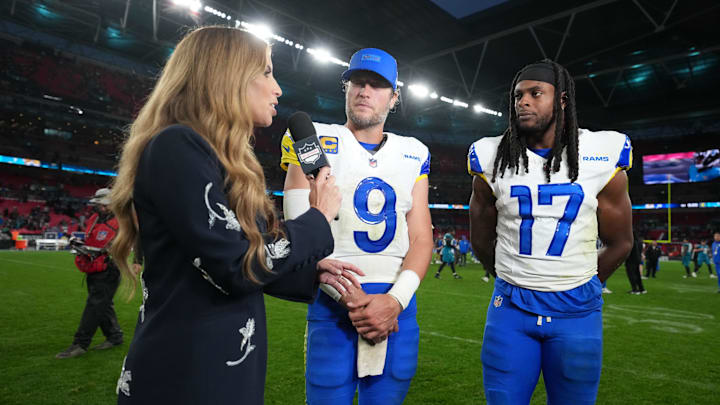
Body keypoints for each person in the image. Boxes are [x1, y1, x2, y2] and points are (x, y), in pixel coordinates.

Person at [107, 27, 352, 404]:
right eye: (267, 72)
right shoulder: (177, 146)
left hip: (218, 367)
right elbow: (234, 266)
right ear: (229, 75)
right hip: (186, 373)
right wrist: (318, 219)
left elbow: (236, 258)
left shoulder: (210, 156)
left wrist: (309, 270)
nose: (278, 89)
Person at [468, 59, 633, 404]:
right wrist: (511, 275)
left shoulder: (601, 153)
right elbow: (481, 239)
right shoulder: (490, 155)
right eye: (517, 95)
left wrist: (586, 283)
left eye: (535, 93)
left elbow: (621, 242)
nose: (523, 102)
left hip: (577, 312)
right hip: (511, 307)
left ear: (561, 100)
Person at [281, 47, 433, 404]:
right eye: (358, 82)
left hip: (397, 306)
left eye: (377, 85)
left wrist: (393, 302)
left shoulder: (414, 151)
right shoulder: (312, 137)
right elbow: (299, 228)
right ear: (346, 88)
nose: (365, 91)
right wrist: (355, 302)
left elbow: (422, 237)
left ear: (394, 97)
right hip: (332, 304)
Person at [55, 188, 124, 359]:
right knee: (103, 304)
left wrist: (136, 261)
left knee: (94, 305)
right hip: (92, 267)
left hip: (109, 269)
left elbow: (126, 243)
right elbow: (91, 240)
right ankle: (114, 337)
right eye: (99, 204)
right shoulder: (93, 219)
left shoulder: (122, 220)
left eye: (103, 204)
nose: (101, 207)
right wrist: (81, 245)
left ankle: (80, 343)